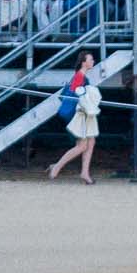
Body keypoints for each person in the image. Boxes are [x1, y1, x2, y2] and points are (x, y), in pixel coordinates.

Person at [47, 51, 101, 183]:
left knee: (91, 140)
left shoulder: (81, 76)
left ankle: (85, 172)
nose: (93, 61)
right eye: (91, 59)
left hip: (82, 113)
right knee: (82, 145)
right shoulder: (79, 76)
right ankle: (57, 167)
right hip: (77, 113)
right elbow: (76, 94)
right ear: (84, 62)